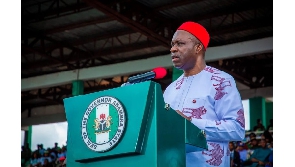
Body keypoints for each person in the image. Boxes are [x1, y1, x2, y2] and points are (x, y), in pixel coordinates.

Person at [163, 21, 245, 167]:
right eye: (172, 44)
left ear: (198, 47)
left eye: (180, 44)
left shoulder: (221, 81)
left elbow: (236, 129)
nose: (173, 49)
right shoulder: (170, 89)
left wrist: (191, 122)